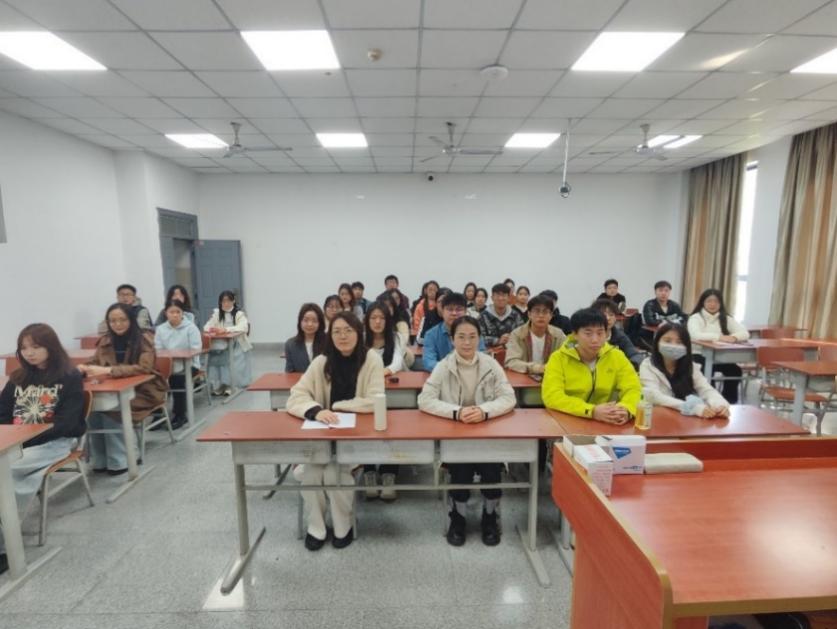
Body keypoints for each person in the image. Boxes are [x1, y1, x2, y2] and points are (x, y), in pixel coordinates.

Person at [286, 312, 385, 550]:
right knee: (312, 474)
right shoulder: (322, 361)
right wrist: (315, 410)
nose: (342, 336)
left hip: (355, 440)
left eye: (348, 331)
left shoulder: (371, 359)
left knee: (333, 473)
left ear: (358, 333)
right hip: (322, 439)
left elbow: (376, 400)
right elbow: (296, 396)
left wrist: (339, 406)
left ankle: (343, 525)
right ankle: (317, 527)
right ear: (330, 335)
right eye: (337, 331)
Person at [418, 316, 516, 547]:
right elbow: (424, 400)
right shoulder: (444, 366)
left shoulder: (491, 364)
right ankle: (458, 518)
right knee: (460, 469)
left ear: (479, 339)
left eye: (472, 337)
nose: (467, 342)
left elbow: (509, 398)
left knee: (492, 470)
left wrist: (484, 411)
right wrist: (456, 412)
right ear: (452, 339)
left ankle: (489, 516)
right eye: (461, 337)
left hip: (488, 435)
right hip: (457, 435)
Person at [0, 323, 86, 575]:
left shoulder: (69, 377)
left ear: (51, 347)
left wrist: (26, 439)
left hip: (53, 442)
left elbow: (67, 423)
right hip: (17, 443)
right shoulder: (18, 378)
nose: (29, 353)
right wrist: (14, 438)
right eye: (24, 348)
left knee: (9, 474)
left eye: (36, 347)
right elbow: (2, 413)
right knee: (7, 471)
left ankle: (5, 548)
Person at [79, 303, 168, 474]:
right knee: (93, 410)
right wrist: (84, 368)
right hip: (115, 389)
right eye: (112, 321)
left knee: (113, 410)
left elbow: (145, 367)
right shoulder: (105, 340)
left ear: (131, 320)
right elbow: (95, 362)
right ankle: (100, 460)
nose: (117, 324)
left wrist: (109, 371)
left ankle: (123, 459)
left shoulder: (144, 339)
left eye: (122, 320)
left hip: (144, 391)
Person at [542, 308, 641, 423]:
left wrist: (626, 409)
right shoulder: (558, 358)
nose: (595, 340)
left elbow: (633, 388)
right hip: (567, 420)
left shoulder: (616, 356)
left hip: (605, 421)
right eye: (588, 333)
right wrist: (591, 411)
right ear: (575, 334)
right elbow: (552, 396)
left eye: (600, 333)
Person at [362, 301, 406, 500]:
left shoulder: (395, 337)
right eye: (373, 318)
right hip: (365, 391)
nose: (378, 322)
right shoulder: (361, 338)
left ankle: (389, 473)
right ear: (367, 320)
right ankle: (369, 471)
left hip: (391, 391)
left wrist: (378, 373)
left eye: (382, 318)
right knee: (366, 429)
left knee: (392, 430)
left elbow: (397, 363)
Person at [640, 323, 730, 417]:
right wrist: (691, 407)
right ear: (657, 343)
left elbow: (706, 389)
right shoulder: (648, 365)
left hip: (686, 419)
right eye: (667, 341)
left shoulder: (691, 366)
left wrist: (719, 404)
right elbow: (654, 396)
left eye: (679, 342)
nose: (673, 346)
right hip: (659, 416)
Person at [687, 288, 749, 403]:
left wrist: (734, 337)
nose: (712, 304)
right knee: (706, 370)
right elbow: (695, 335)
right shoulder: (696, 317)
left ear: (720, 303)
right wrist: (719, 337)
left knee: (735, 370)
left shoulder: (725, 318)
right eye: (709, 301)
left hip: (720, 356)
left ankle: (729, 402)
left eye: (716, 301)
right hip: (698, 355)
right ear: (703, 302)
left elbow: (745, 333)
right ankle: (711, 401)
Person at [154, 299, 201, 429]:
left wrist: (177, 354)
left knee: (177, 380)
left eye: (178, 312)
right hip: (168, 365)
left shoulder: (191, 328)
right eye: (171, 312)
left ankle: (180, 415)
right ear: (166, 313)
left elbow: (196, 349)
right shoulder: (161, 329)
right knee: (154, 380)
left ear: (182, 313)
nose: (175, 315)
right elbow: (157, 349)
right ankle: (158, 414)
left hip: (189, 365)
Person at [203, 290, 253, 395]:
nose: (226, 303)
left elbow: (243, 327)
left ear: (233, 301)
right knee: (216, 360)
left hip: (237, 343)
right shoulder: (217, 313)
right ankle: (219, 385)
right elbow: (207, 326)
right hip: (221, 344)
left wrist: (226, 330)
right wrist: (213, 329)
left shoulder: (239, 314)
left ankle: (233, 385)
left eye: (228, 301)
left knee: (233, 361)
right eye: (223, 301)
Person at [423, 292, 486, 372]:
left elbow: (481, 357)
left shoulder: (474, 332)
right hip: (442, 375)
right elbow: (429, 362)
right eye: (450, 309)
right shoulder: (431, 335)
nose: (454, 313)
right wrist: (452, 371)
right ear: (442, 311)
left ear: (466, 311)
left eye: (458, 309)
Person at [505, 295, 566, 375]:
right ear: (529, 314)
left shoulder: (558, 334)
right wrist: (536, 368)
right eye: (537, 311)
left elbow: (566, 357)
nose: (541, 315)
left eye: (545, 312)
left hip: (552, 376)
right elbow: (511, 362)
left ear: (551, 315)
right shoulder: (517, 334)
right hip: (525, 377)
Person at [590, 298, 644, 369]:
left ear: (615, 318)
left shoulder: (619, 336)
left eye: (611, 315)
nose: (608, 318)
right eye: (604, 315)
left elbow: (634, 354)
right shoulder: (587, 337)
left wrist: (630, 366)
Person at [285, 303, 327, 373]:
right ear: (300, 322)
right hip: (300, 380)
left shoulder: (328, 342)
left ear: (320, 323)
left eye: (314, 321)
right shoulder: (290, 344)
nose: (310, 324)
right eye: (306, 320)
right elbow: (289, 372)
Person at [479, 283, 524, 348]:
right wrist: (497, 341)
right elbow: (478, 338)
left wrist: (511, 338)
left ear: (509, 298)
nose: (500, 298)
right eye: (497, 295)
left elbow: (523, 334)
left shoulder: (516, 315)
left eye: (504, 295)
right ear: (492, 298)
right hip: (488, 352)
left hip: (512, 351)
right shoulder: (483, 316)